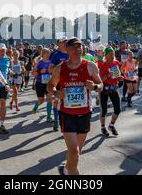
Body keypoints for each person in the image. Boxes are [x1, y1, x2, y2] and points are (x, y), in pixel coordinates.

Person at [48, 37, 102, 175]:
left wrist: (95, 86)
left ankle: (65, 170)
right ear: (67, 49)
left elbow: (101, 85)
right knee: (74, 153)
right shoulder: (61, 68)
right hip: (67, 114)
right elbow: (50, 85)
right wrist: (56, 92)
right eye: (74, 47)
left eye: (80, 46)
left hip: (84, 113)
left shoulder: (90, 66)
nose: (78, 49)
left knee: (76, 153)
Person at [98, 47, 123, 137]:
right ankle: (103, 127)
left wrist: (120, 77)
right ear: (106, 55)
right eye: (110, 54)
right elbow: (100, 80)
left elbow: (118, 74)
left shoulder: (116, 63)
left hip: (114, 88)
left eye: (113, 54)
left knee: (118, 109)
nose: (112, 56)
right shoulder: (103, 65)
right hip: (104, 89)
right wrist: (107, 75)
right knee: (104, 110)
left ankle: (111, 125)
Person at [49, 37, 70, 131]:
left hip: (69, 83)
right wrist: (58, 71)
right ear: (59, 44)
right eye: (63, 42)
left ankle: (66, 123)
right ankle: (56, 120)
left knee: (68, 102)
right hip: (58, 82)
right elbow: (50, 69)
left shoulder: (71, 53)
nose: (65, 44)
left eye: (66, 42)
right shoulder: (56, 55)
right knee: (57, 102)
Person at [32, 48, 53, 122]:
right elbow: (33, 73)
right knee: (41, 100)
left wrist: (51, 72)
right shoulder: (39, 63)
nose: (48, 54)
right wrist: (40, 71)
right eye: (46, 53)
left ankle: (49, 116)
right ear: (43, 54)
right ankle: (36, 106)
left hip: (49, 83)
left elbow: (54, 72)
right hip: (40, 83)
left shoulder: (51, 62)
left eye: (48, 53)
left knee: (49, 99)